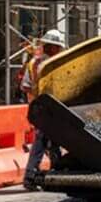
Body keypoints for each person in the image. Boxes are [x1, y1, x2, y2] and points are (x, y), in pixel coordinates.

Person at [22, 29, 67, 191]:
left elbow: (25, 86)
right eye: (58, 47)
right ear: (52, 46)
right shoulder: (53, 64)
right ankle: (30, 176)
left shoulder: (34, 63)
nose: (60, 50)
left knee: (53, 139)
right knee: (41, 141)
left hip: (40, 108)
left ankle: (58, 170)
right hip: (47, 108)